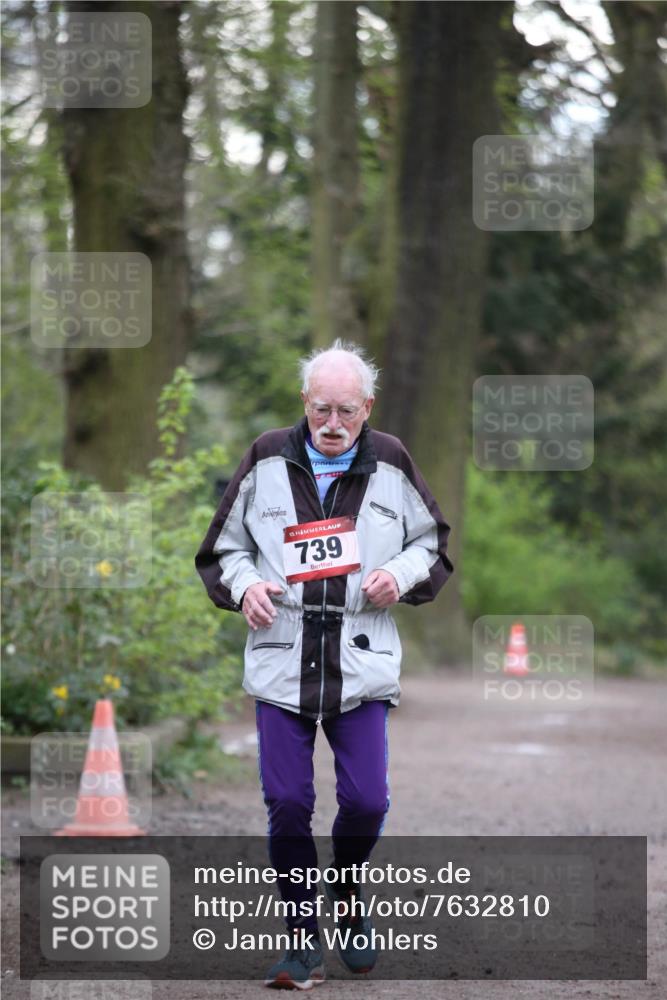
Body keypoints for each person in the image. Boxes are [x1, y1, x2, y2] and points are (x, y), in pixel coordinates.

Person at [195, 339, 453, 989]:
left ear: (367, 408)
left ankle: (344, 888)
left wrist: (399, 572)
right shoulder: (264, 457)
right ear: (303, 406)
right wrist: (246, 584)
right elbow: (224, 548)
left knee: (366, 801)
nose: (331, 425)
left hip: (359, 659)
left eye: (344, 411)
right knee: (286, 802)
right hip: (282, 656)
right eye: (319, 411)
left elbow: (432, 544)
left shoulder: (391, 461)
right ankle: (302, 943)